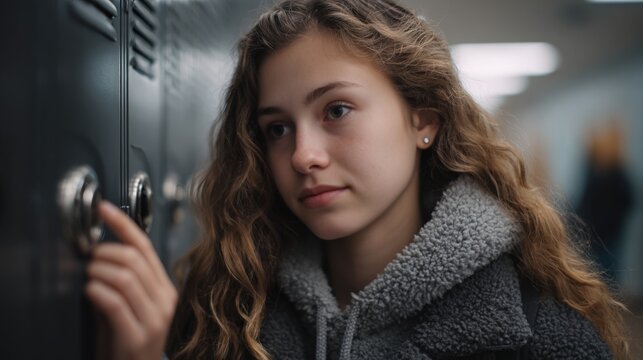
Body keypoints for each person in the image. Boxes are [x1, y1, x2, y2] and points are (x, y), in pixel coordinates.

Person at [85, 0, 630, 359]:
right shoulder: (227, 311)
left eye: (336, 111)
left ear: (423, 119)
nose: (302, 155)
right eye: (276, 129)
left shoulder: (542, 336)